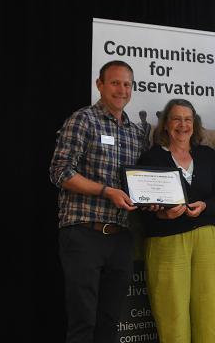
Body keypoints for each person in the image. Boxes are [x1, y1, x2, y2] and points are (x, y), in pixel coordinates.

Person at [49, 60, 148, 343]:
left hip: (120, 238)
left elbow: (139, 183)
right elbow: (60, 172)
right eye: (115, 83)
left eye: (127, 84)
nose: (122, 89)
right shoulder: (83, 120)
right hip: (83, 233)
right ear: (100, 85)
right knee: (83, 322)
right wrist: (106, 191)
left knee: (110, 322)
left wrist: (151, 200)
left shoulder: (135, 133)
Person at [136, 98, 215, 343]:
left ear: (194, 125)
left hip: (208, 240)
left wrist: (206, 205)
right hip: (166, 241)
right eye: (176, 118)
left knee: (209, 313)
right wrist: (161, 213)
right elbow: (140, 206)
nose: (182, 125)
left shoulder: (207, 155)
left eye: (188, 119)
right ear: (165, 124)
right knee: (171, 315)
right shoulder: (151, 157)